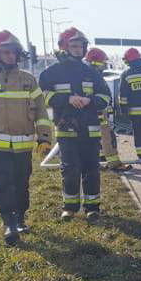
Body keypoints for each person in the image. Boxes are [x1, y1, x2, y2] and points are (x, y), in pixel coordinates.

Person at [0, 30, 53, 244]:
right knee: (2, 183)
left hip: (23, 146)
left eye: (14, 53)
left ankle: (21, 217)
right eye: (6, 52)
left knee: (21, 182)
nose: (11, 57)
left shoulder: (28, 79)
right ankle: (9, 223)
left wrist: (44, 138)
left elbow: (41, 111)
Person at [39, 28, 110, 222]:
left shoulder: (92, 73)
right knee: (70, 169)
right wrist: (67, 99)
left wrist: (89, 100)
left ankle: (92, 208)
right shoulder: (50, 73)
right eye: (74, 46)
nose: (78, 50)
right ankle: (69, 207)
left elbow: (106, 97)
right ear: (64, 46)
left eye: (81, 46)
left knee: (92, 169)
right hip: (66, 129)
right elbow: (42, 98)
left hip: (90, 130)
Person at [84, 48, 131, 171]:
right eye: (102, 62)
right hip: (96, 113)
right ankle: (114, 164)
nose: (104, 66)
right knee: (107, 137)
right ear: (95, 62)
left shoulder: (92, 75)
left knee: (100, 139)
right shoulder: (90, 76)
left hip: (98, 113)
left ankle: (98, 163)